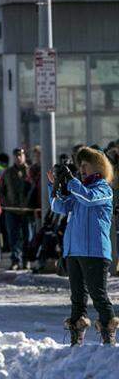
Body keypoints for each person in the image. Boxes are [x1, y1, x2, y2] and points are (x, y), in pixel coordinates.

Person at [47, 146, 115, 345]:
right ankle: (77, 337)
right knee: (77, 297)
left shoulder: (103, 189)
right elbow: (58, 206)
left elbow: (88, 198)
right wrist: (55, 185)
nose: (81, 169)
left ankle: (108, 334)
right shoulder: (79, 190)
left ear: (98, 167)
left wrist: (72, 181)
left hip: (95, 251)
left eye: (85, 165)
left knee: (98, 294)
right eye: (80, 166)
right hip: (74, 250)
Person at [0, 147, 33, 270]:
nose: (18, 158)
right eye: (16, 155)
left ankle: (26, 260)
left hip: (26, 210)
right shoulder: (8, 172)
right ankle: (15, 260)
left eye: (20, 155)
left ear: (24, 156)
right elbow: (1, 190)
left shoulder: (30, 171)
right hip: (11, 210)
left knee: (27, 237)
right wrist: (5, 203)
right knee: (13, 237)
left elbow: (34, 189)